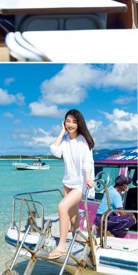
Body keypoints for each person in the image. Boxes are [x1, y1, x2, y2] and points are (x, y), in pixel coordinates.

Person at [48, 109, 95, 259]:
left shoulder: (83, 140)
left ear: (79, 123)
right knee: (73, 215)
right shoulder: (65, 140)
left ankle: (61, 245)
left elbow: (88, 161)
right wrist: (62, 132)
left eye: (74, 121)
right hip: (67, 182)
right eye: (68, 121)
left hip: (80, 184)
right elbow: (54, 150)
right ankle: (80, 238)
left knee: (62, 207)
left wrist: (88, 178)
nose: (70, 124)